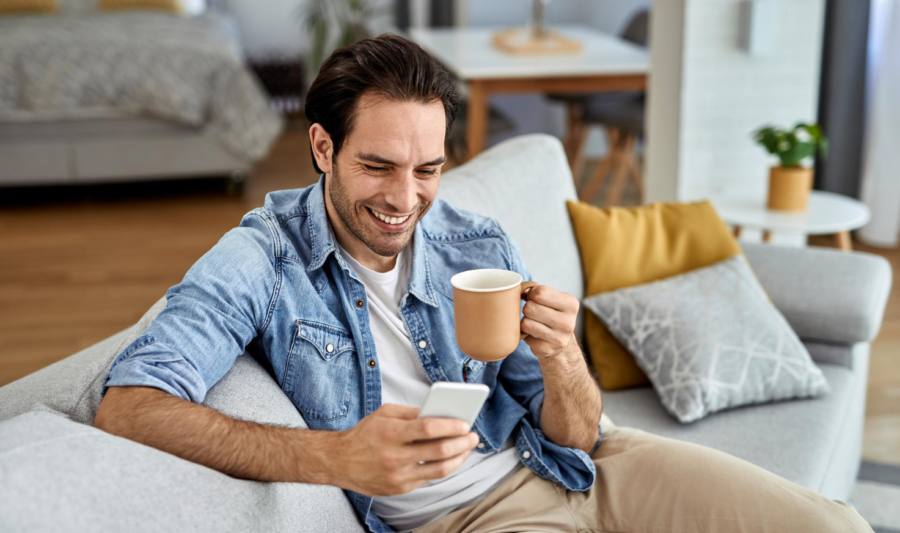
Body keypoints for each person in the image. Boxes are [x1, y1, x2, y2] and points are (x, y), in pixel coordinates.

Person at [93, 34, 873, 533]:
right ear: (323, 146)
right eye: (377, 166)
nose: (405, 199)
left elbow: (579, 435)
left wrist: (564, 357)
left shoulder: (474, 242)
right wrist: (337, 459)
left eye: (427, 169)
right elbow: (129, 406)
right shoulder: (262, 258)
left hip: (583, 468)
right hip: (466, 521)